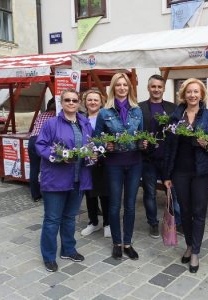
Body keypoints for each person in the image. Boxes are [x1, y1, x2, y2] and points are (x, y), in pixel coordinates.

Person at [163, 78, 208, 273]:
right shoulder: (175, 116)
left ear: (202, 94)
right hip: (180, 171)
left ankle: (195, 251)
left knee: (199, 211)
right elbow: (169, 147)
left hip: (202, 171)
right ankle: (189, 244)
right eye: (189, 92)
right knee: (185, 211)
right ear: (183, 94)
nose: (193, 95)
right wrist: (167, 174)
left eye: (196, 92)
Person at [36, 88, 93, 272]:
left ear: (79, 103)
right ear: (61, 103)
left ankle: (68, 249)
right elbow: (40, 146)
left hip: (78, 179)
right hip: (55, 180)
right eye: (67, 100)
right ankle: (49, 256)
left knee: (69, 218)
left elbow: (91, 145)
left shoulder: (84, 123)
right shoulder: (51, 124)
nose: (71, 103)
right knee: (52, 220)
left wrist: (93, 154)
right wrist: (57, 156)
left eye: (74, 100)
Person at [94, 73, 146, 260]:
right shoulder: (104, 113)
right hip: (113, 164)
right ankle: (116, 242)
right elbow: (97, 137)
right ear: (113, 88)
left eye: (125, 85)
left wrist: (144, 143)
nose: (122, 88)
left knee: (130, 205)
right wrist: (104, 144)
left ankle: (128, 243)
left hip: (134, 163)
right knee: (115, 205)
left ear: (129, 88)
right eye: (119, 85)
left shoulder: (137, 111)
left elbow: (141, 135)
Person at [139, 74, 182, 238]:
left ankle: (177, 222)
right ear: (148, 88)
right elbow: (136, 130)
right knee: (149, 193)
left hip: (168, 159)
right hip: (148, 159)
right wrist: (140, 141)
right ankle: (153, 223)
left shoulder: (173, 108)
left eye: (159, 87)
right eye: (153, 86)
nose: (156, 89)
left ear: (164, 89)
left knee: (173, 193)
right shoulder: (139, 107)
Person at [80, 90, 110, 238]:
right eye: (89, 100)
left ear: (101, 102)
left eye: (95, 100)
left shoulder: (106, 117)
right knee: (89, 193)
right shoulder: (80, 119)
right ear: (85, 102)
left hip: (104, 161)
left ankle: (108, 223)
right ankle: (93, 222)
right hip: (86, 162)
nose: (92, 102)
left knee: (105, 193)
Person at [28, 98, 55, 201]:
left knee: (34, 168)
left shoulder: (41, 115)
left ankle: (35, 195)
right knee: (47, 167)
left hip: (32, 140)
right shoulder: (55, 116)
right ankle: (48, 192)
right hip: (43, 141)